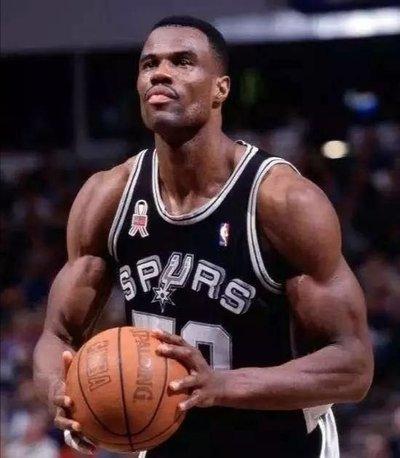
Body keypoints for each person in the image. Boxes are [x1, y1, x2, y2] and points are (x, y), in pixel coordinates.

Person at [33, 16, 373, 458]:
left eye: (182, 62)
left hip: (282, 446)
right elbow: (56, 335)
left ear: (221, 89)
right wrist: (61, 394)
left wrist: (222, 385)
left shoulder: (282, 201)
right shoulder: (107, 197)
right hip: (168, 443)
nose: (160, 73)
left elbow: (353, 366)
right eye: (149, 64)